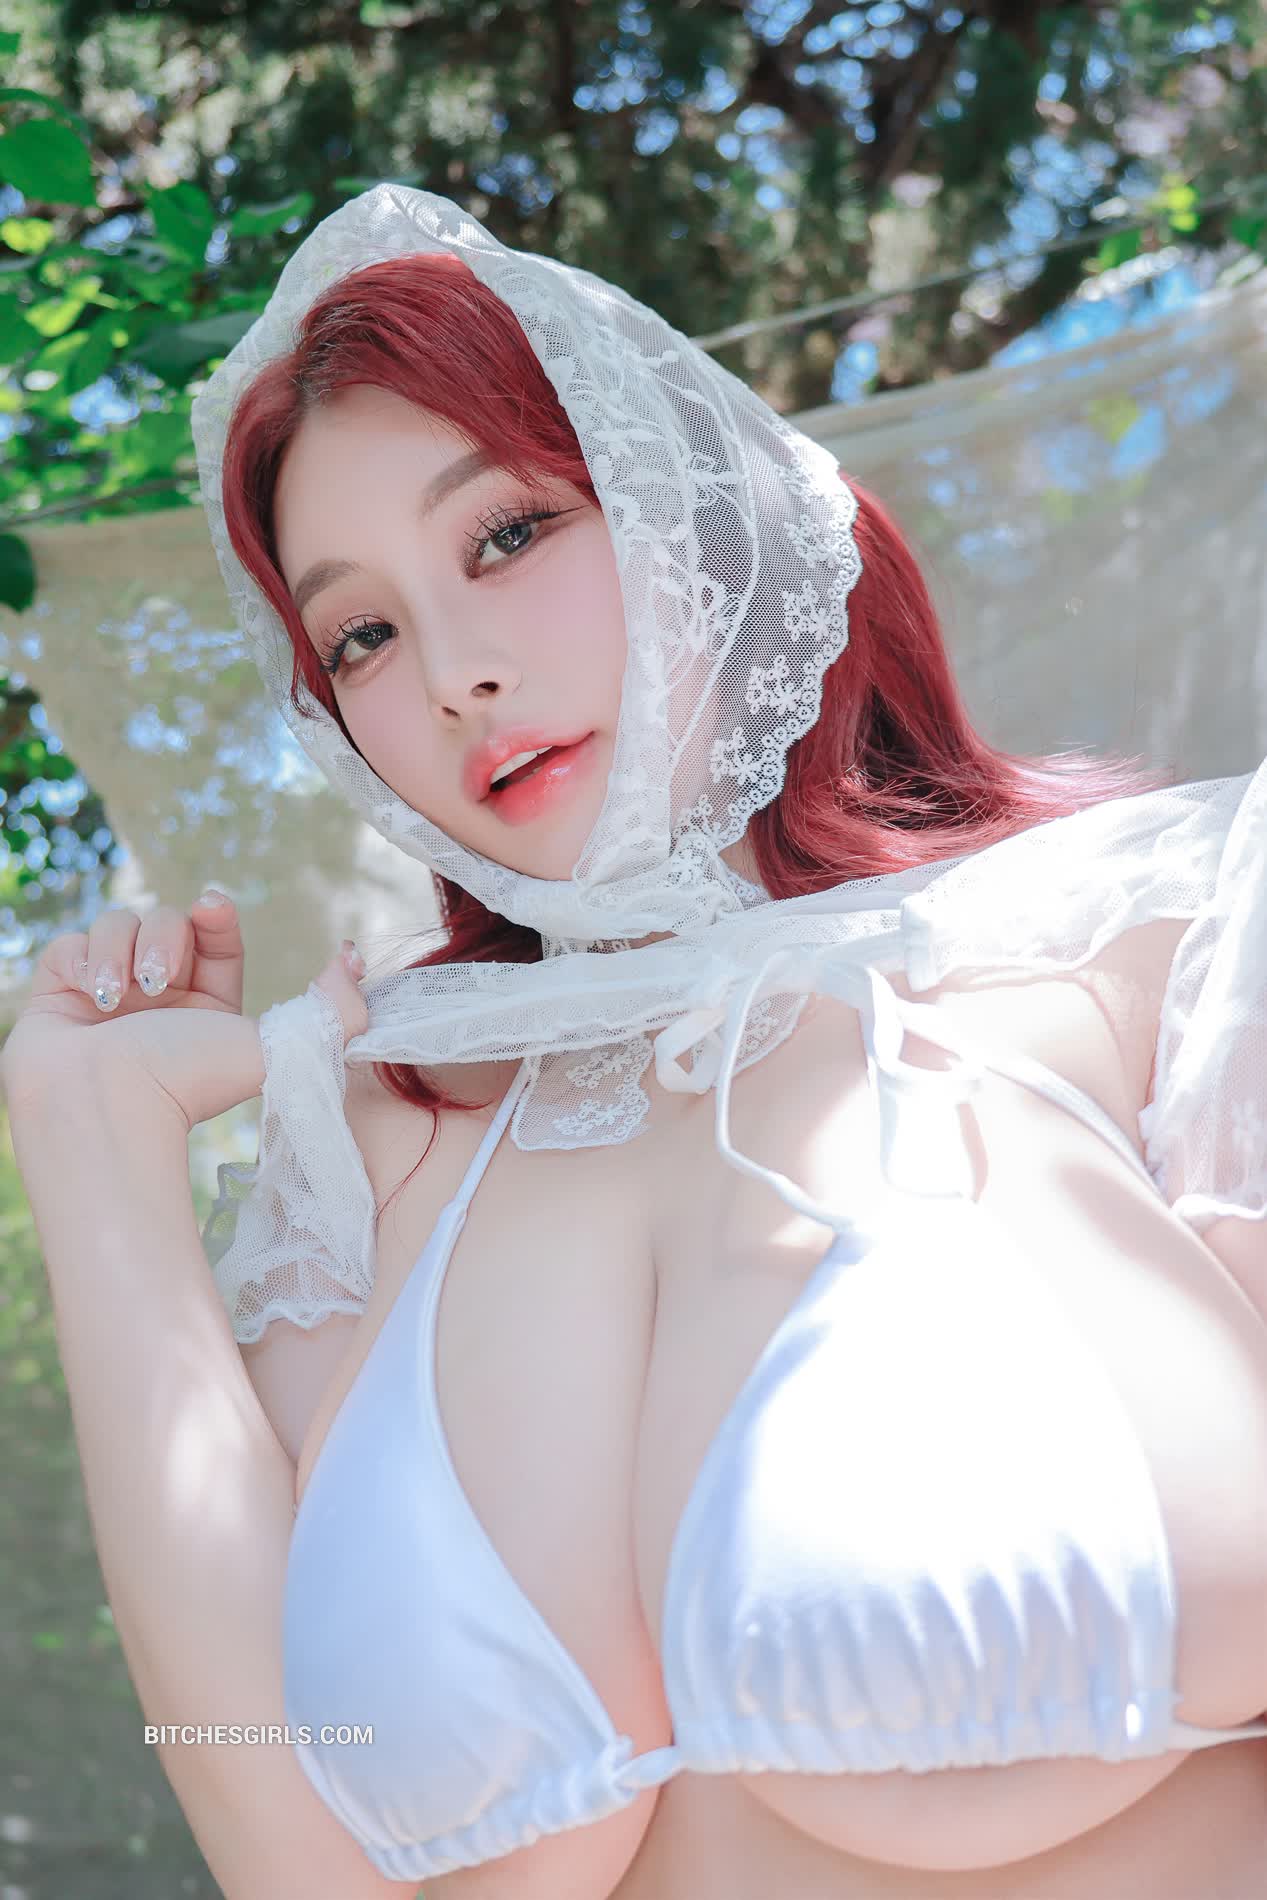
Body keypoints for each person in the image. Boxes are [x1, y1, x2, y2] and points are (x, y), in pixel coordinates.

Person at [3, 185, 1266, 1900]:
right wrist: (92, 1148)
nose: (451, 673)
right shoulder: (381, 1138)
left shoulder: (1156, 936)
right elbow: (291, 1852)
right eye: (361, 633)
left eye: (508, 532)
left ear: (698, 502)